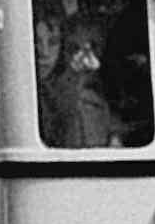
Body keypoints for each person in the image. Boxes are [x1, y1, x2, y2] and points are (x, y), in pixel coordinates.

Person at [36, 16, 131, 148]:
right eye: (74, 48)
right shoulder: (46, 92)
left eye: (93, 47)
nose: (84, 58)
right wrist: (73, 76)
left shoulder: (107, 92)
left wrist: (115, 137)